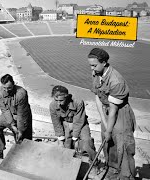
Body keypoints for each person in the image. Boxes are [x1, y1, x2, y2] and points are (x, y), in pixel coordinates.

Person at [88, 48, 136, 180]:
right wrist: (104, 124)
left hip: (120, 114)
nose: (92, 69)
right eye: (90, 65)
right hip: (107, 111)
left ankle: (127, 176)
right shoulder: (97, 73)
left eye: (94, 65)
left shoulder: (116, 81)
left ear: (104, 63)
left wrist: (109, 130)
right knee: (108, 143)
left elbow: (114, 110)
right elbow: (97, 97)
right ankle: (113, 170)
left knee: (123, 146)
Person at [49, 85, 98, 178]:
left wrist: (75, 138)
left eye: (61, 100)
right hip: (65, 124)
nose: (58, 103)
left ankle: (93, 164)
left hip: (81, 124)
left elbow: (79, 121)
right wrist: (61, 138)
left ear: (67, 97)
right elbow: (56, 123)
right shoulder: (52, 105)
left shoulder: (78, 102)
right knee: (66, 148)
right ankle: (69, 168)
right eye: (56, 100)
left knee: (87, 143)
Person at [0, 74, 32, 164]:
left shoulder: (21, 94)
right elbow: (4, 109)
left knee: (21, 138)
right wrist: (12, 124)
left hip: (22, 116)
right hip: (8, 113)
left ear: (14, 84)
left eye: (9, 88)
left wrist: (20, 130)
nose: (7, 90)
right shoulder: (0, 91)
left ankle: (23, 159)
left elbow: (21, 115)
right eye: (5, 88)